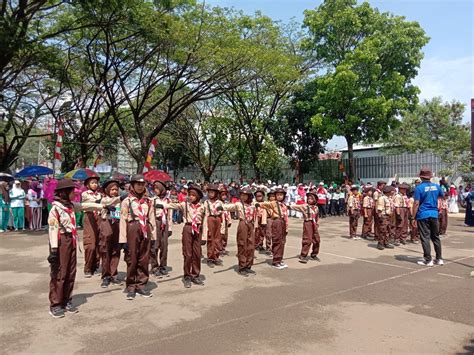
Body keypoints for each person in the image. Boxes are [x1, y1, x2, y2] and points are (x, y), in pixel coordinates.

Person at [47, 179, 104, 318]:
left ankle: (67, 300)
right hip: (61, 242)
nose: (74, 194)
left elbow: (86, 206)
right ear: (65, 193)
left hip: (71, 241)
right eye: (72, 192)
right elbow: (53, 229)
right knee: (60, 273)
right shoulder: (56, 209)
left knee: (71, 272)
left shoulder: (71, 206)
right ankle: (56, 304)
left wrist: (103, 206)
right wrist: (54, 250)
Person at [119, 174, 157, 299]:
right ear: (132, 185)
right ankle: (131, 286)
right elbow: (123, 220)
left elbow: (151, 219)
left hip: (145, 229)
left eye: (142, 184)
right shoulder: (127, 201)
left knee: (144, 258)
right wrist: (123, 239)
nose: (140, 187)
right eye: (137, 184)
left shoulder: (149, 201)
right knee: (132, 258)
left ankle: (141, 285)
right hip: (132, 228)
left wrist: (154, 238)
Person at [161, 185, 205, 288]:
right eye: (190, 195)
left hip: (198, 229)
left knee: (197, 253)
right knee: (188, 253)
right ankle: (187, 276)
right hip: (188, 228)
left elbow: (205, 220)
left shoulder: (202, 206)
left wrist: (205, 236)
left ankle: (195, 275)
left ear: (198, 196)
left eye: (194, 195)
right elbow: (172, 205)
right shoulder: (185, 205)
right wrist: (162, 205)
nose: (191, 197)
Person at [220, 187, 257, 277]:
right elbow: (230, 207)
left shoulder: (253, 204)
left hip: (251, 225)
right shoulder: (239, 204)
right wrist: (221, 207)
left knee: (251, 245)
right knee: (242, 244)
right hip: (243, 223)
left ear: (249, 196)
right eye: (242, 195)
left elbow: (263, 204)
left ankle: (248, 265)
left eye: (246, 195)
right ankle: (242, 266)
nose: (244, 197)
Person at [413, 168, 444, 267]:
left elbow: (416, 203)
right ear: (430, 177)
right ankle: (439, 259)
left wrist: (413, 217)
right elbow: (442, 197)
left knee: (425, 237)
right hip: (434, 213)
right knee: (435, 237)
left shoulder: (419, 188)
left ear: (421, 177)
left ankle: (428, 259)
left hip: (423, 214)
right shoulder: (437, 186)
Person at [98, 179, 123, 288]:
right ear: (107, 190)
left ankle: (114, 274)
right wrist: (119, 199)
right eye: (112, 190)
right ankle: (106, 276)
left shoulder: (120, 201)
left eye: (116, 190)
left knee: (116, 250)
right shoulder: (104, 200)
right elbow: (110, 203)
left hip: (117, 225)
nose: (114, 192)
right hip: (106, 224)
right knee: (105, 250)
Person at [257, 188, 289, 270]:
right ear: (275, 196)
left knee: (282, 242)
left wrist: (286, 228)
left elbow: (286, 217)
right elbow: (263, 204)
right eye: (277, 195)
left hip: (283, 222)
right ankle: (276, 261)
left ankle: (280, 259)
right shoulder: (273, 203)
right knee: (277, 240)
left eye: (281, 195)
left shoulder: (284, 205)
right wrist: (257, 204)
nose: (279, 196)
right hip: (277, 221)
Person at [287, 190, 321, 263]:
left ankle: (314, 254)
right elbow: (296, 207)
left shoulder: (316, 208)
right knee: (307, 239)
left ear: (315, 200)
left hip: (314, 224)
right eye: (308, 198)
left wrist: (317, 224)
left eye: (311, 199)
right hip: (307, 223)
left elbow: (317, 217)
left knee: (317, 240)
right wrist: (287, 206)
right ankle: (303, 255)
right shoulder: (305, 207)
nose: (309, 200)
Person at [149, 180, 171, 278]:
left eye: (157, 188)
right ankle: (154, 266)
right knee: (154, 245)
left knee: (164, 246)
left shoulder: (167, 201)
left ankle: (163, 265)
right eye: (154, 189)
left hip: (164, 223)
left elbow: (169, 215)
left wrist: (169, 228)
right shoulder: (153, 200)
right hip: (156, 222)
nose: (156, 190)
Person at [81, 175, 102, 277]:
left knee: (99, 242)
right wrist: (98, 202)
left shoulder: (100, 194)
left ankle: (96, 265)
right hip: (89, 217)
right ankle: (88, 267)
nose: (95, 184)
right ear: (88, 185)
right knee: (90, 243)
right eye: (92, 183)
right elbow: (89, 203)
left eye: (96, 183)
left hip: (98, 217)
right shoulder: (85, 194)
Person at [203, 184, 223, 268]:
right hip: (210, 218)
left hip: (217, 219)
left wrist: (223, 223)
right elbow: (205, 213)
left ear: (216, 193)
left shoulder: (219, 202)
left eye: (212, 192)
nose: (211, 194)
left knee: (217, 238)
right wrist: (205, 224)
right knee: (210, 238)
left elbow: (222, 213)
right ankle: (210, 257)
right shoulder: (206, 202)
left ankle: (216, 256)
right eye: (209, 192)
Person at [376, 186, 395, 250]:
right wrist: (380, 216)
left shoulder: (389, 198)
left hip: (389, 216)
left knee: (388, 230)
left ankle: (386, 242)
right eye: (392, 190)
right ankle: (380, 243)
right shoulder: (382, 198)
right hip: (384, 216)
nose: (393, 192)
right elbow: (380, 208)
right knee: (382, 230)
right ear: (388, 191)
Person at [218, 186, 232, 256]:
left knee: (225, 235)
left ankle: (223, 247)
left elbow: (228, 212)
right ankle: (219, 248)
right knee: (221, 234)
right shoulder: (218, 203)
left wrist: (229, 221)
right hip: (221, 220)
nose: (224, 197)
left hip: (226, 220)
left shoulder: (226, 203)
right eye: (222, 195)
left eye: (225, 195)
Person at [254, 189, 268, 253]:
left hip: (263, 220)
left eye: (260, 196)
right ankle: (256, 244)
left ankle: (260, 244)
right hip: (256, 220)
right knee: (256, 232)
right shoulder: (253, 203)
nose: (259, 197)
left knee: (262, 232)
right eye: (257, 196)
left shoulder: (265, 204)